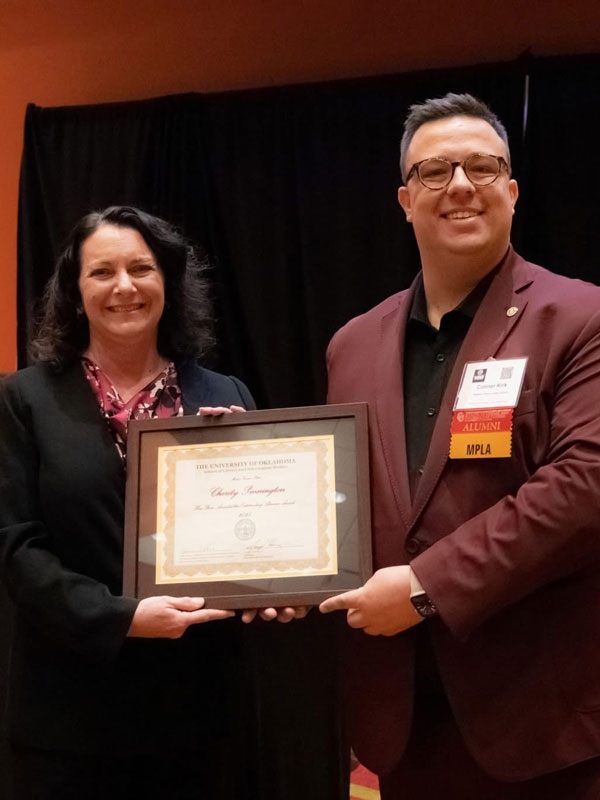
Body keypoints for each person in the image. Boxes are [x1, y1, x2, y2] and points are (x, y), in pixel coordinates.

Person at [319, 93, 600, 798]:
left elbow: (583, 486)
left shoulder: (581, 317)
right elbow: (336, 497)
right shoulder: (352, 344)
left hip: (541, 717)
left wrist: (422, 588)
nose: (461, 185)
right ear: (405, 199)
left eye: (482, 166)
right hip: (403, 721)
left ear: (511, 189)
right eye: (436, 171)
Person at [0, 206, 257, 800]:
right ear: (74, 289)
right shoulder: (24, 399)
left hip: (195, 713)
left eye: (141, 268)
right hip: (67, 720)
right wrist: (122, 619)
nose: (124, 287)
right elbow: (15, 549)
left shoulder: (223, 395)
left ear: (166, 282)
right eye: (102, 272)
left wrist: (275, 587)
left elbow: (255, 542)